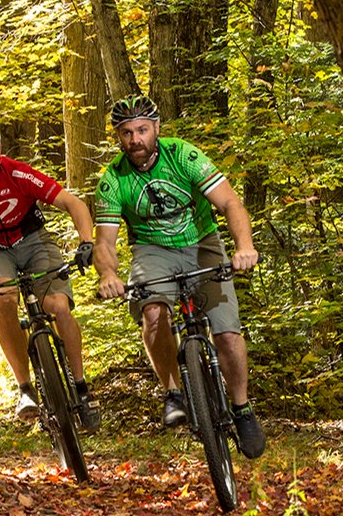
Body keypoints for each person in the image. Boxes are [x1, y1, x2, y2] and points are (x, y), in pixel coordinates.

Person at [92, 95, 266, 458]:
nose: (134, 139)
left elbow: (230, 203)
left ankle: (242, 408)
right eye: (126, 133)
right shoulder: (113, 179)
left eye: (141, 130)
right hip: (152, 250)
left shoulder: (183, 155)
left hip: (202, 241)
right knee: (152, 313)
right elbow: (105, 241)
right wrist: (108, 273)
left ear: (156, 128)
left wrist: (244, 246)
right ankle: (173, 392)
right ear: (118, 138)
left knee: (227, 330)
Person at [0, 119, 101, 433]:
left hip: (33, 240)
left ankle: (81, 386)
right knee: (5, 297)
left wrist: (86, 242)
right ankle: (25, 389)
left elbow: (73, 203)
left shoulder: (18, 173)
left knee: (58, 305)